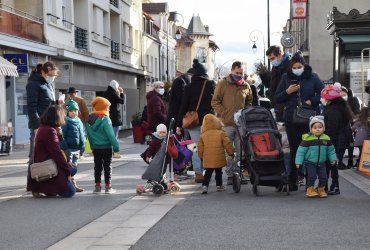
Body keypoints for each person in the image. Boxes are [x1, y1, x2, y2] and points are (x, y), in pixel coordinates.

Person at [275, 51, 325, 191]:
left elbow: (323, 92)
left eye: (299, 66)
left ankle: (309, 181)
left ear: (304, 65)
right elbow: (277, 97)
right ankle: (293, 181)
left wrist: (311, 101)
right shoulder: (286, 77)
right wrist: (288, 92)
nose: (296, 69)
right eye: (294, 67)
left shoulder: (313, 77)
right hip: (291, 118)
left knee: (309, 149)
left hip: (309, 119)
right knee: (295, 150)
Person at [211, 60, 253, 185]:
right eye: (237, 72)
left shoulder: (246, 86)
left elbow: (249, 101)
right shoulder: (222, 84)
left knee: (241, 151)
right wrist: (224, 113)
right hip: (227, 123)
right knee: (228, 150)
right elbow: (215, 101)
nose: (239, 75)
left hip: (241, 124)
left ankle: (238, 173)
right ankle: (230, 174)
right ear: (232, 71)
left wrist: (246, 112)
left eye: (241, 73)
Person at [178, 59, 215, 183]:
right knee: (208, 147)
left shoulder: (188, 87)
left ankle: (198, 173)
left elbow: (183, 106)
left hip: (192, 123)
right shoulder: (211, 85)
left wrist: (179, 125)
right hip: (208, 122)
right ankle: (207, 171)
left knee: (195, 148)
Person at [27, 105, 76, 198]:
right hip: (47, 166)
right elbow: (57, 154)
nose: (64, 118)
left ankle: (50, 188)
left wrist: (60, 136)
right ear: (57, 117)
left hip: (46, 163)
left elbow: (61, 149)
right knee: (71, 192)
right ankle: (50, 187)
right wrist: (67, 173)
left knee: (73, 168)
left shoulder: (44, 127)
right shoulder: (49, 131)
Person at [321, 82, 354, 195]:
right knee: (332, 164)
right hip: (335, 140)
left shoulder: (333, 110)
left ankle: (330, 186)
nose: (322, 99)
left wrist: (326, 141)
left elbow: (332, 128)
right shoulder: (339, 106)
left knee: (329, 164)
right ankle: (330, 186)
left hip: (332, 141)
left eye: (323, 97)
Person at [295, 116, 337, 198]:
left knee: (324, 177)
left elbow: (331, 150)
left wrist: (333, 159)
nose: (317, 129)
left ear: (323, 128)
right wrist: (298, 161)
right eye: (315, 128)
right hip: (310, 162)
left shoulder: (326, 138)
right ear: (311, 129)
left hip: (322, 163)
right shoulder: (307, 139)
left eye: (320, 127)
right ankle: (310, 189)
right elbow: (301, 151)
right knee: (312, 176)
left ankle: (320, 189)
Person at [86, 97, 120, 194]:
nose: (109, 109)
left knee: (97, 167)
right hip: (106, 147)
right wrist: (116, 148)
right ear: (102, 107)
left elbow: (89, 136)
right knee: (107, 166)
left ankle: (97, 187)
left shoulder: (89, 120)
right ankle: (108, 187)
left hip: (96, 148)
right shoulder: (106, 119)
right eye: (107, 107)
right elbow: (111, 135)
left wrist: (92, 147)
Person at [26, 62, 60, 158]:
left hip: (50, 124)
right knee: (36, 155)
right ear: (43, 72)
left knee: (48, 154)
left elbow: (47, 103)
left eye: (54, 76)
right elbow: (31, 107)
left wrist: (57, 102)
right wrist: (36, 127)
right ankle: (32, 173)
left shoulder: (49, 84)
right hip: (39, 125)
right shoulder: (33, 84)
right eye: (50, 75)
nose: (52, 77)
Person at [198, 114, 234, 194]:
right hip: (219, 158)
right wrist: (231, 153)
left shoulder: (203, 135)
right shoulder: (221, 133)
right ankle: (219, 185)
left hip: (208, 159)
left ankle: (205, 186)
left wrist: (200, 157)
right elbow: (227, 144)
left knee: (208, 173)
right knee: (219, 172)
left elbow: (200, 148)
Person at [60, 99, 86, 192]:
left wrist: (82, 147)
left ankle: (73, 184)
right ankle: (69, 185)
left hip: (77, 149)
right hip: (69, 149)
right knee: (70, 167)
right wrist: (65, 148)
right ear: (67, 112)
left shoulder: (79, 121)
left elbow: (82, 135)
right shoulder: (65, 122)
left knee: (74, 167)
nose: (73, 112)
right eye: (71, 111)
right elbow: (62, 137)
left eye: (75, 110)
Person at [266, 45, 291, 121]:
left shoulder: (291, 65)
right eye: (269, 60)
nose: (271, 61)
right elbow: (272, 86)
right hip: (277, 107)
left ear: (280, 54)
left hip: (287, 107)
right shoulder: (275, 67)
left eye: (272, 58)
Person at [340, 86, 361, 168]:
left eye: (344, 93)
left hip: (352, 124)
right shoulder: (339, 101)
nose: (342, 94)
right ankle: (343, 161)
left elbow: (357, 112)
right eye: (340, 93)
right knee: (343, 143)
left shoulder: (353, 100)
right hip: (343, 125)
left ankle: (351, 160)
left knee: (351, 143)